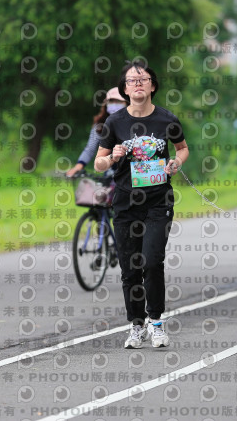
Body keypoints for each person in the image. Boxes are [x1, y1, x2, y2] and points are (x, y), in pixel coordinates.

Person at [94, 60, 189, 349]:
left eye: (143, 79)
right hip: (124, 203)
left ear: (153, 85)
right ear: (124, 89)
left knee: (152, 260)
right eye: (132, 81)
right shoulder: (114, 123)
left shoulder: (166, 120)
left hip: (158, 201)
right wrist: (113, 158)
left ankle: (156, 322)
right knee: (130, 267)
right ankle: (136, 325)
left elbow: (182, 149)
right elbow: (99, 163)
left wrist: (175, 163)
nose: (137, 84)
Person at [66, 87, 127, 177]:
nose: (114, 104)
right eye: (111, 101)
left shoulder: (135, 123)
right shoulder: (100, 125)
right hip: (111, 174)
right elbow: (90, 148)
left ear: (127, 103)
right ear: (106, 104)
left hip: (133, 173)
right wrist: (79, 166)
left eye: (118, 101)